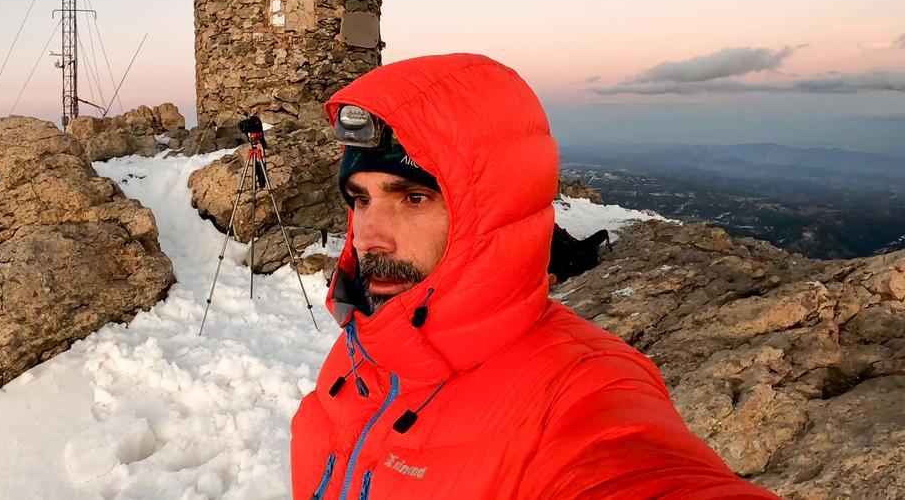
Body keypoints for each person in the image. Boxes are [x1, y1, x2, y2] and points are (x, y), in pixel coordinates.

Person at [290, 54, 776, 499]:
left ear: (491, 213)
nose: (371, 237)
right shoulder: (364, 344)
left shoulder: (581, 388)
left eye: (414, 199)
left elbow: (632, 466)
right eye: (361, 200)